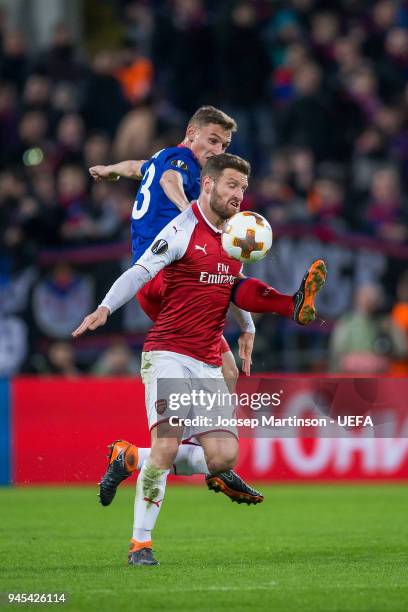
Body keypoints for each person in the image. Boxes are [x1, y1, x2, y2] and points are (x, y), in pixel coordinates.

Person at [73, 153, 327, 566]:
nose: (238, 195)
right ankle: (141, 544)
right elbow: (139, 272)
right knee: (169, 446)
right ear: (207, 185)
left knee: (223, 458)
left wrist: (249, 327)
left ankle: (129, 457)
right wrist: (104, 307)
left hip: (209, 357)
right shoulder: (181, 229)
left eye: (243, 188)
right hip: (168, 351)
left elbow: (233, 286)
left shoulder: (236, 234)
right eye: (231, 186)